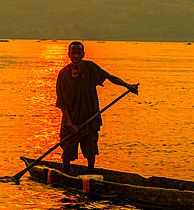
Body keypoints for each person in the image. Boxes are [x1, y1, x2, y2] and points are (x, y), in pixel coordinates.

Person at [56, 41, 138, 175]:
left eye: (79, 53)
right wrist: (70, 124)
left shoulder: (90, 68)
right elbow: (62, 102)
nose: (76, 56)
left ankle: (91, 173)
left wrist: (128, 86)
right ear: (69, 55)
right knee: (68, 148)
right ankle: (65, 172)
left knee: (90, 148)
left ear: (83, 54)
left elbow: (109, 77)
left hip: (90, 116)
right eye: (74, 53)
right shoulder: (63, 74)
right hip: (71, 118)